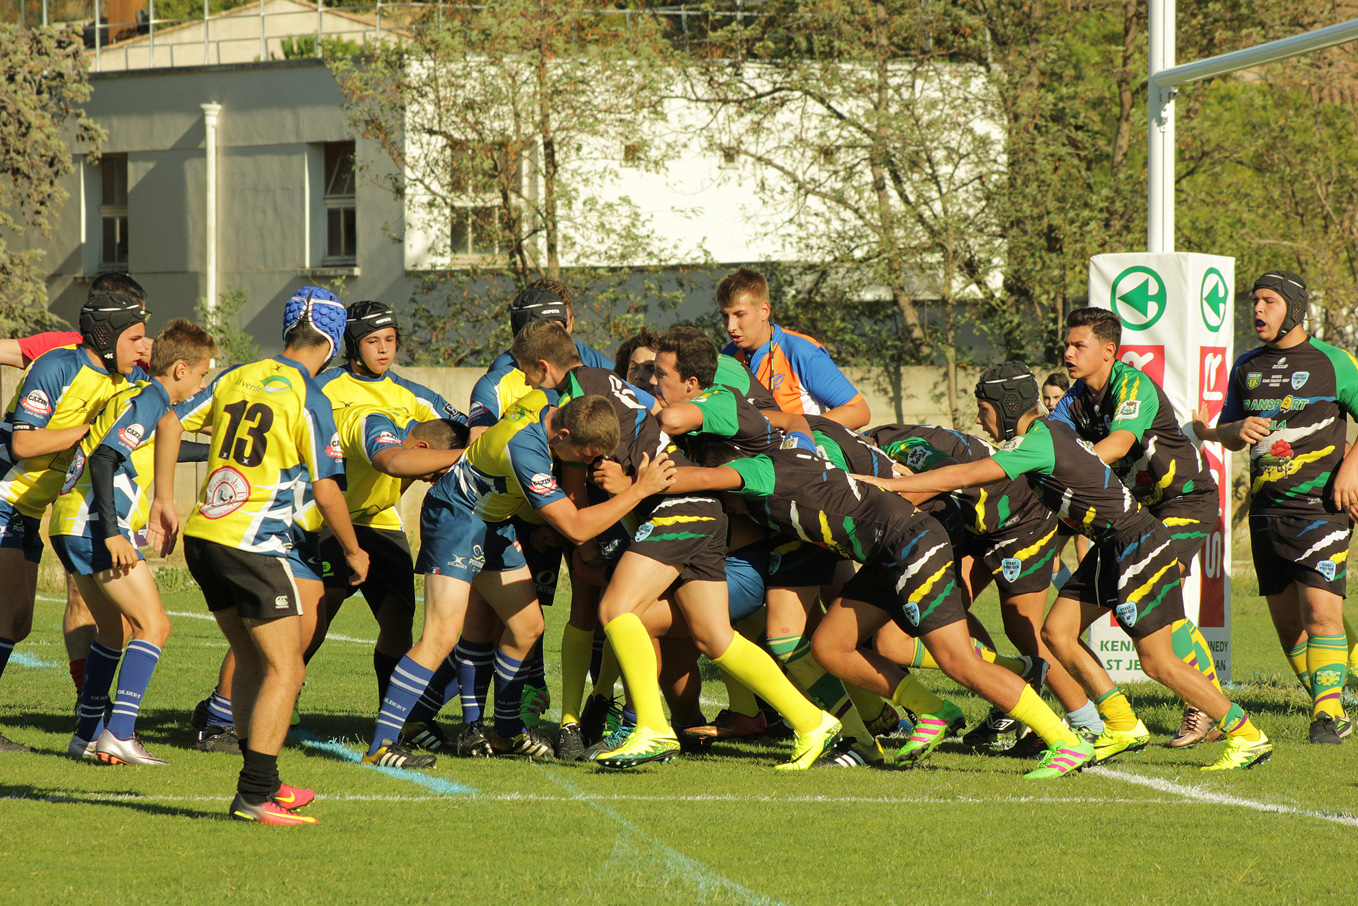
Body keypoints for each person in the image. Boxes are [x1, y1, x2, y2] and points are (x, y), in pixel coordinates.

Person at [860, 362, 1272, 772]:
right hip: (1113, 544)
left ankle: (1247, 736)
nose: (978, 420)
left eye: (983, 409)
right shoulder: (1047, 434)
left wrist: (890, 486)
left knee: (1158, 662)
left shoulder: (1039, 441)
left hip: (1137, 544)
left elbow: (965, 475)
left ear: (1005, 406)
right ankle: (1123, 725)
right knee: (1056, 632)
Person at [150, 287, 370, 825]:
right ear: (335, 342)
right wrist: (353, 548)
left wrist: (162, 500)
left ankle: (264, 781)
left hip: (206, 537)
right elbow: (327, 491)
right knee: (286, 669)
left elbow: (171, 421)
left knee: (252, 662)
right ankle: (253, 795)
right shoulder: (310, 398)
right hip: (253, 544)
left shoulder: (237, 375)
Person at [362, 390, 674, 767]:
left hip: (492, 520)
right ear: (562, 436)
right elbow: (576, 528)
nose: (588, 464)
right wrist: (640, 489)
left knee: (527, 627)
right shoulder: (526, 449)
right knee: (440, 636)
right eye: (585, 454)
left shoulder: (545, 405)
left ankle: (506, 732)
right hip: (457, 519)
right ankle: (380, 745)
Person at [1051, 307, 1228, 749]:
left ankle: (1208, 705)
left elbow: (1120, 443)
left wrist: (1070, 467)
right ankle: (1117, 719)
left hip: (1185, 502)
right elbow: (1049, 446)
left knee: (1152, 607)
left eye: (1079, 345)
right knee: (1063, 626)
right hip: (1134, 517)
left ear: (1109, 351)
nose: (1068, 353)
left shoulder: (1133, 384)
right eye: (1067, 345)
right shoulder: (1074, 399)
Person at [1196, 271, 1358, 744]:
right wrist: (1235, 429)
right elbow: (1226, 433)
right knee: (1289, 628)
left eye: (1269, 301)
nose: (1258, 310)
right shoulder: (1246, 365)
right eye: (1254, 301)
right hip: (1267, 511)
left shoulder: (1333, 362)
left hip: (1321, 506)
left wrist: (1351, 467)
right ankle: (1328, 700)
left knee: (1321, 612)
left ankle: (1327, 718)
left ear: (1294, 307)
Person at [51, 319, 217, 764]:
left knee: (114, 629)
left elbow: (128, 447)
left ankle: (87, 734)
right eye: (202, 374)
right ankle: (121, 732)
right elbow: (105, 458)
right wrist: (112, 533)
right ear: (180, 369)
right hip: (94, 526)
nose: (202, 384)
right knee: (155, 625)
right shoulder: (150, 397)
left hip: (68, 521)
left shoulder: (137, 398)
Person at [0, 291, 150, 753]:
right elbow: (23, 445)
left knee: (18, 620)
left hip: (28, 511)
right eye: (137, 338)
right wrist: (87, 431)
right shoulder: (56, 366)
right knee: (9, 615)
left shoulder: (119, 378)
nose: (145, 347)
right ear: (107, 338)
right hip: (5, 499)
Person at [717, 266, 870, 428]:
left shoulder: (801, 351)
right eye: (725, 316)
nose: (730, 326)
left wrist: (796, 428)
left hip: (803, 449)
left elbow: (858, 412)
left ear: (764, 310)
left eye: (739, 314)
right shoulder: (726, 358)